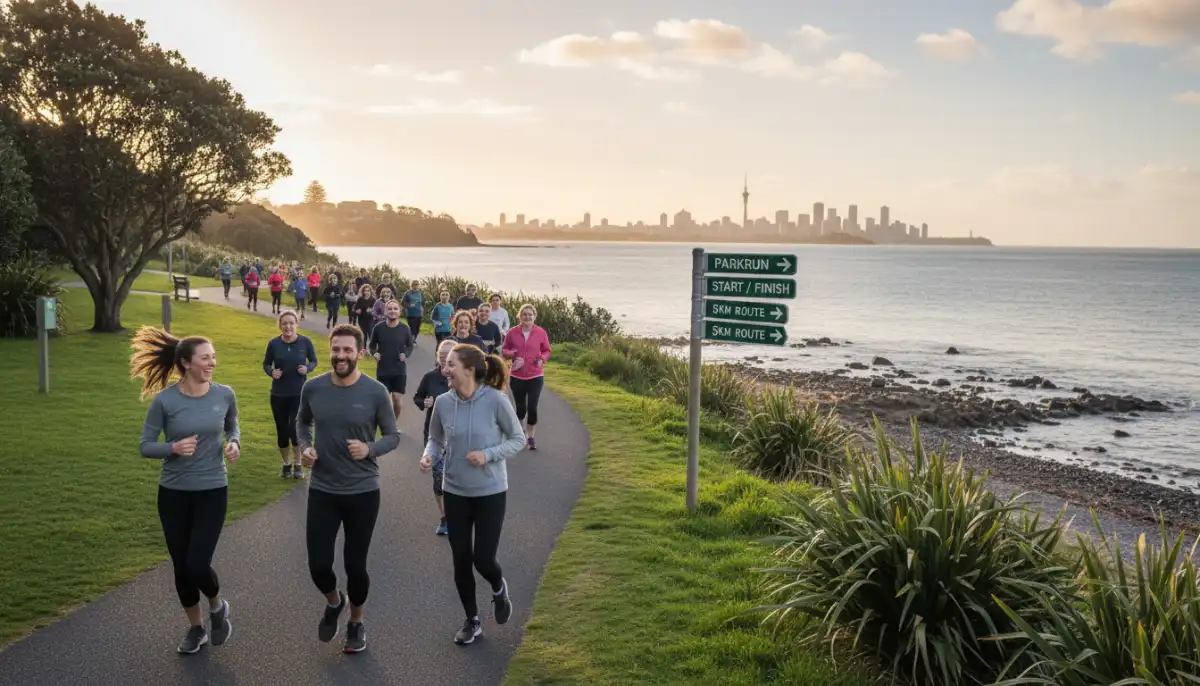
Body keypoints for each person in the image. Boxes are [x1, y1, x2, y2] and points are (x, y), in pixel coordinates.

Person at [131, 326, 240, 654]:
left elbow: (232, 424)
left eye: (214, 357)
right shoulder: (165, 401)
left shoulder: (224, 394)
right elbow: (146, 445)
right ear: (186, 363)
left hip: (211, 490)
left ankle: (218, 606)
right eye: (206, 358)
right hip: (174, 493)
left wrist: (234, 442)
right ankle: (196, 628)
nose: (212, 363)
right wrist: (172, 448)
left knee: (196, 562)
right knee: (181, 566)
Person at [297, 324, 400, 654]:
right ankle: (334, 601)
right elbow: (302, 422)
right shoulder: (313, 388)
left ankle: (356, 621)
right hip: (323, 489)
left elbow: (392, 436)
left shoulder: (375, 392)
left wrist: (370, 449)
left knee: (355, 565)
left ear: (359, 353)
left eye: (347, 350)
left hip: (362, 491)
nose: (340, 356)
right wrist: (304, 448)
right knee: (319, 566)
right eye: (336, 349)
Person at [421, 344, 524, 645]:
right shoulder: (442, 402)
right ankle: (472, 620)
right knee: (461, 559)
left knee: (483, 559)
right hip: (455, 490)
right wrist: (429, 456)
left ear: (469, 369)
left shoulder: (495, 400)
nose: (445, 369)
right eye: (444, 364)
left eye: (451, 364)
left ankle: (498, 588)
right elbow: (436, 439)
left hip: (491, 491)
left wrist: (488, 454)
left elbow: (517, 439)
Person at [263, 311, 318, 478]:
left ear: (296, 324)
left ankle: (298, 464)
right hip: (279, 394)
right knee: (282, 431)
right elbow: (266, 364)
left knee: (294, 429)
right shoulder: (273, 344)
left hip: (299, 393)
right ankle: (286, 465)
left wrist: (307, 368)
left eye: (291, 323)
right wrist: (271, 372)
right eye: (284, 323)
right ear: (280, 325)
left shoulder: (305, 342)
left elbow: (314, 360)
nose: (288, 326)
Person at [413, 339, 453, 536]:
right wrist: (425, 402)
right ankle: (445, 516)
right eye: (442, 358)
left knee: (456, 478)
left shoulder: (462, 378)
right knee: (439, 480)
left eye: (449, 358)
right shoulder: (430, 377)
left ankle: (459, 514)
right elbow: (417, 397)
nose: (445, 362)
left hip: (458, 438)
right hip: (434, 435)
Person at [501, 304, 551, 451]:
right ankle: (519, 432)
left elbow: (547, 350)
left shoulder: (540, 332)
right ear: (520, 316)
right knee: (521, 409)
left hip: (535, 375)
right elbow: (504, 350)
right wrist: (512, 353)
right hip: (517, 376)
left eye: (530, 314)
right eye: (524, 314)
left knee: (532, 407)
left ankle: (531, 437)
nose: (527, 317)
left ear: (534, 316)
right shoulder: (512, 332)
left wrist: (542, 358)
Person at [368, 300, 414, 425]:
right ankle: (385, 424)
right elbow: (371, 346)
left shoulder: (405, 329)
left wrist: (406, 354)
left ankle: (393, 424)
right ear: (385, 311)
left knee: (397, 400)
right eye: (390, 309)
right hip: (383, 370)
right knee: (385, 401)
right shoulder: (378, 328)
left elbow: (410, 346)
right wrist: (374, 353)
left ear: (399, 311)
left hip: (399, 370)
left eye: (395, 309)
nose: (392, 311)